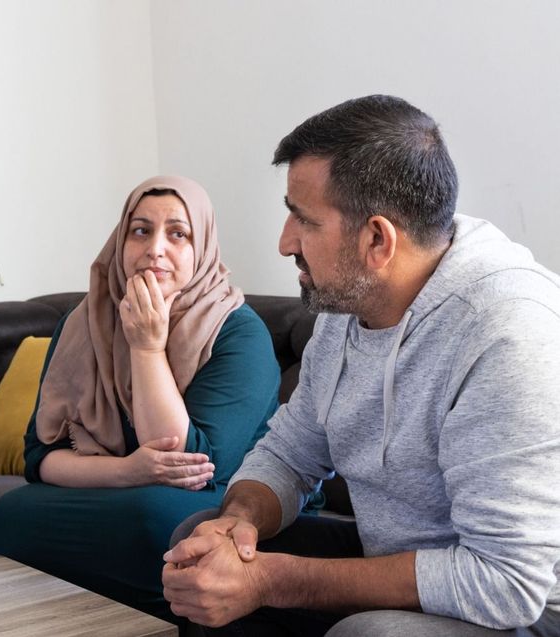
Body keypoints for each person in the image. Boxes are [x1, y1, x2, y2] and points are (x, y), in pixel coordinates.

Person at [162, 95, 560, 636]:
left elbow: (506, 582)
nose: (284, 243)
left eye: (304, 220)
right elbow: (289, 452)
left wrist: (270, 581)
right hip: (405, 564)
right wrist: (239, 523)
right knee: (201, 544)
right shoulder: (349, 302)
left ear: (377, 239)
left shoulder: (507, 333)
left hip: (527, 608)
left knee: (369, 635)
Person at [0, 175, 280, 621]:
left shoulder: (239, 331)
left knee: (158, 516)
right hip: (122, 490)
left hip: (227, 497)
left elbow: (192, 466)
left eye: (177, 234)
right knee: (9, 511)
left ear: (202, 246)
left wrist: (146, 346)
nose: (155, 248)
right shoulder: (83, 322)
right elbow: (39, 457)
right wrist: (126, 471)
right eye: (140, 230)